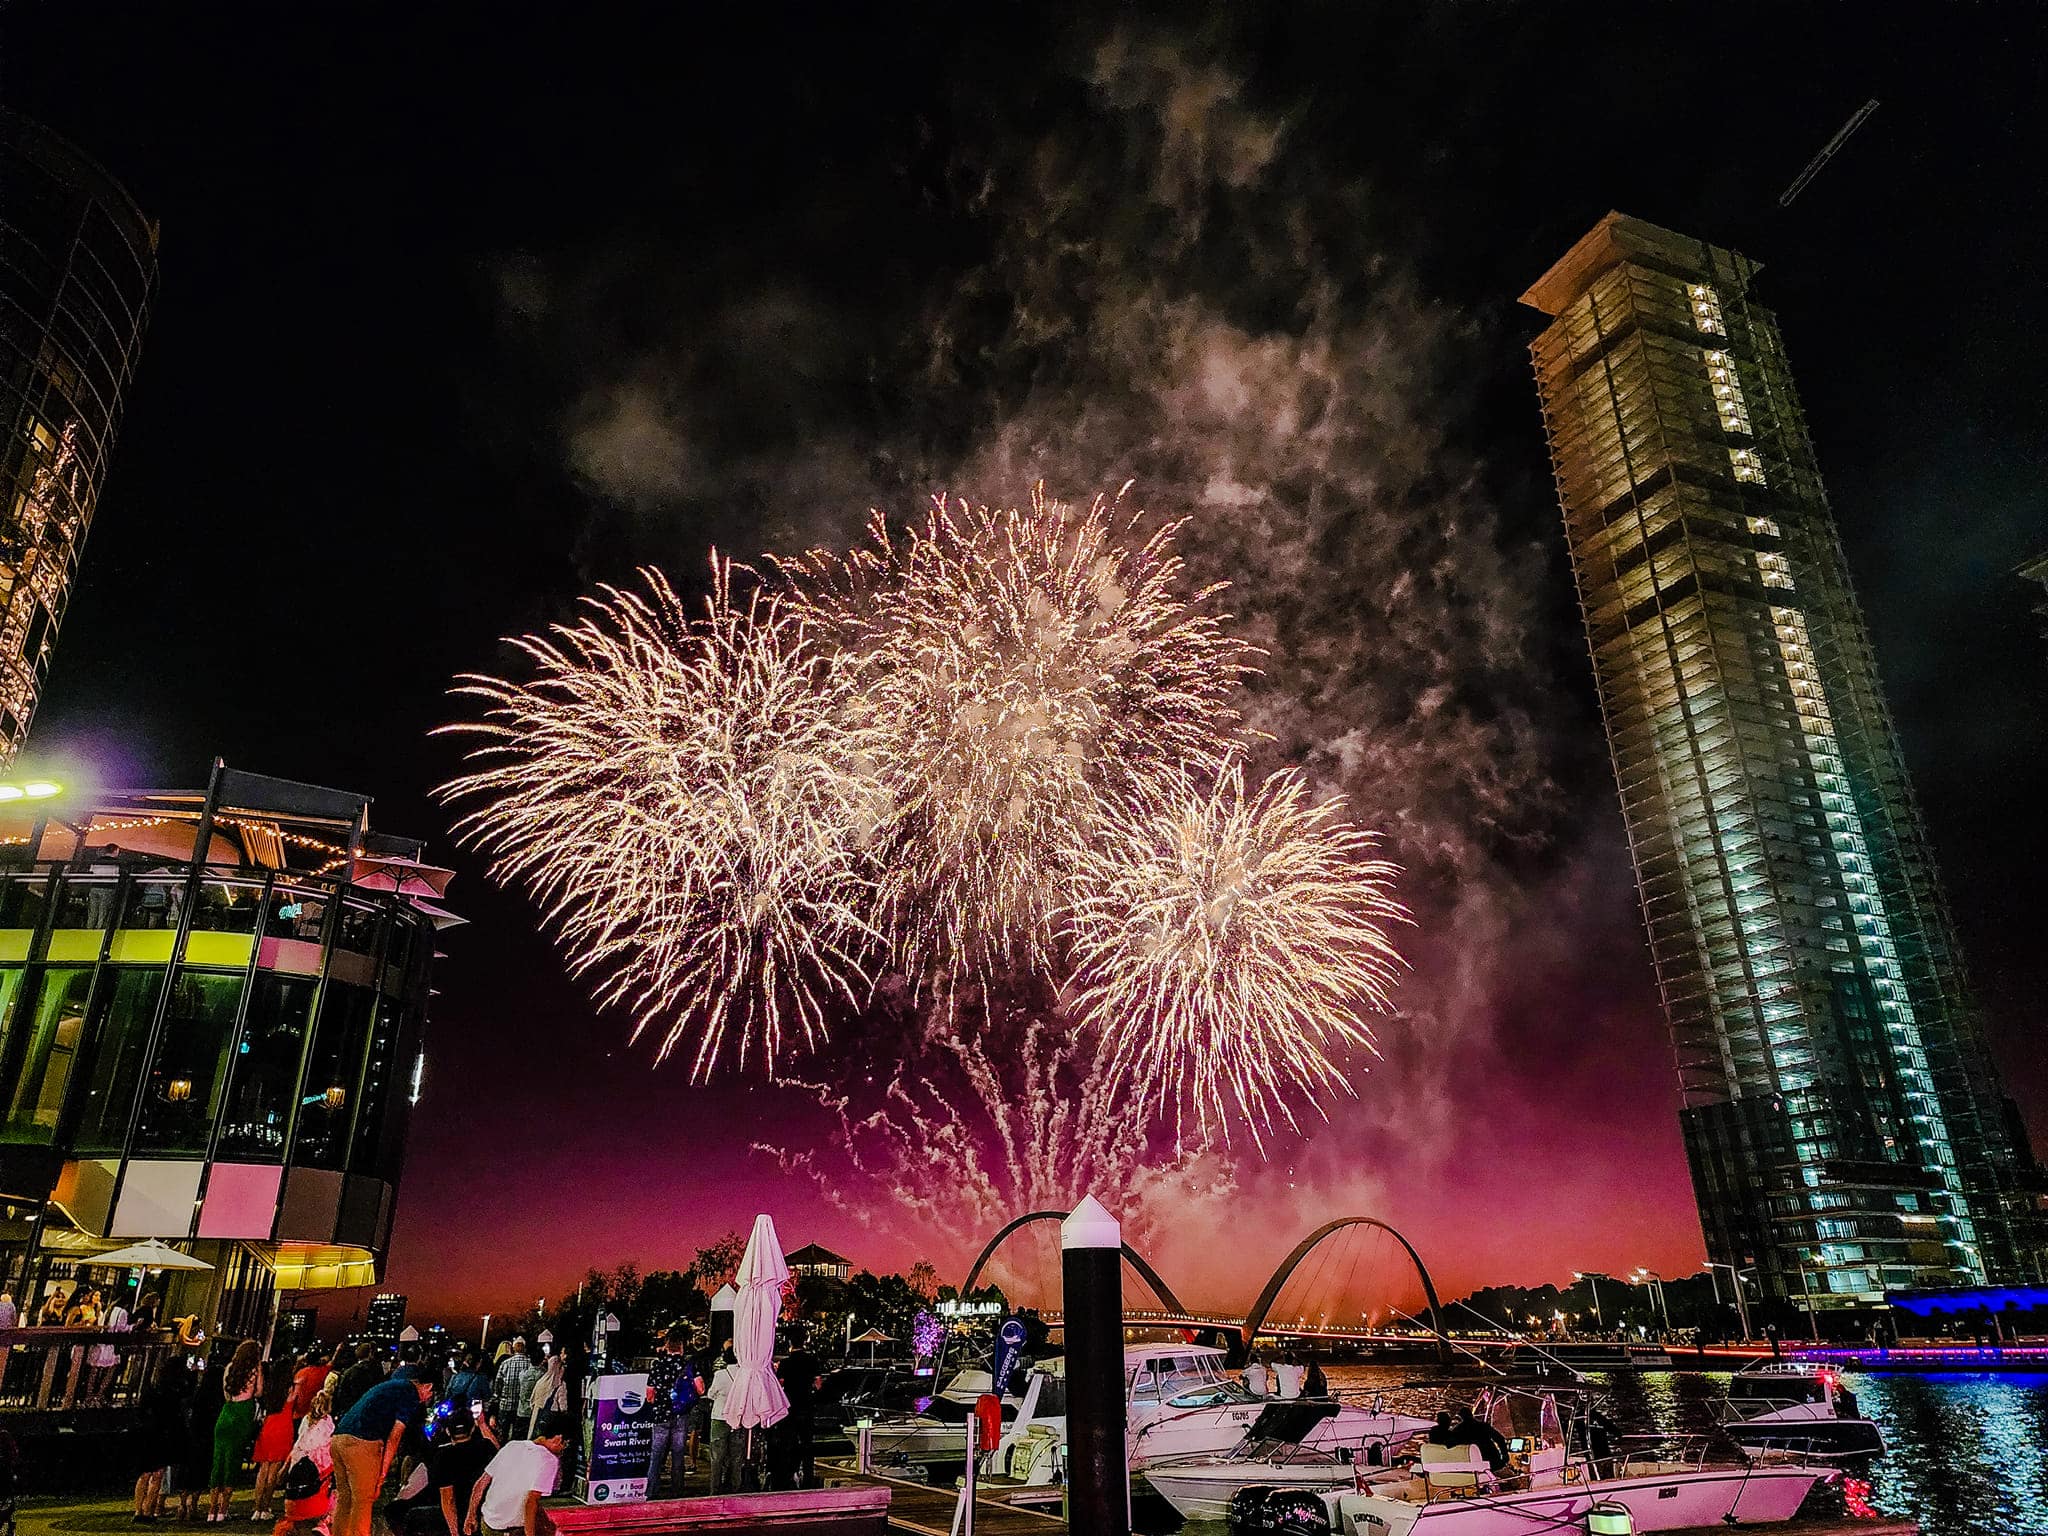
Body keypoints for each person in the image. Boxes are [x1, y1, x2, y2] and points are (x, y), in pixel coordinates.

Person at [330, 1369, 434, 1536]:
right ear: (427, 1387)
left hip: (339, 1438)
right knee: (363, 1502)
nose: (426, 1401)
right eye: (430, 1395)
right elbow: (395, 1435)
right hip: (362, 1442)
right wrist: (382, 1474)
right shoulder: (410, 1394)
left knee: (345, 1498)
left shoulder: (392, 1386)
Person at [465, 1412, 570, 1536]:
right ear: (559, 1439)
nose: (563, 1450)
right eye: (566, 1445)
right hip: (509, 1530)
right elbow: (531, 1503)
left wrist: (470, 1515)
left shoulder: (512, 1445)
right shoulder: (549, 1461)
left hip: (487, 1524)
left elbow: (481, 1484)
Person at [423, 1404, 496, 1536]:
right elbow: (498, 1452)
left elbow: (448, 1499)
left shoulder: (443, 1456)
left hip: (461, 1516)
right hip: (485, 1511)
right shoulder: (486, 1447)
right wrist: (482, 1424)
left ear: (448, 1431)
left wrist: (454, 1532)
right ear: (472, 1429)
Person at [209, 1339, 262, 1522]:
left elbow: (225, 1392)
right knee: (233, 1459)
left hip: (227, 1412)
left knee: (219, 1459)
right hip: (242, 1412)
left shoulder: (230, 1367)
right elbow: (259, 1392)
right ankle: (223, 1510)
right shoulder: (254, 1370)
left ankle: (211, 1509)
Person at [643, 1327, 698, 1498]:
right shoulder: (688, 1365)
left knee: (657, 1455)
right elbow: (701, 1388)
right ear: (682, 1347)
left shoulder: (657, 1365)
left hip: (661, 1415)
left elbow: (650, 1395)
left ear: (667, 1346)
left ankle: (651, 1491)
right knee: (678, 1454)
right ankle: (677, 1491)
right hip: (681, 1414)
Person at [278, 1382, 337, 1536]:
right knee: (332, 1490)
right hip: (317, 1468)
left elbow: (299, 1443)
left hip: (298, 1465)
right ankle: (325, 1520)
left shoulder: (305, 1422)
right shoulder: (327, 1424)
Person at [131, 1360, 186, 1523]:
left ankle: (138, 1510)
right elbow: (176, 1417)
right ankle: (148, 1510)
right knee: (157, 1475)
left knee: (144, 1474)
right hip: (162, 1435)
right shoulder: (174, 1392)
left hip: (148, 1433)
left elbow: (140, 1411)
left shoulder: (151, 1389)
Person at [250, 1359, 297, 1521]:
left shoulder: (270, 1388)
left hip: (269, 1426)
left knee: (263, 1469)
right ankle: (266, 1507)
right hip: (284, 1427)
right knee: (273, 1471)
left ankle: (257, 1509)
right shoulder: (291, 1388)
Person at [183, 1356, 227, 1523]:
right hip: (208, 1438)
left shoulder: (198, 1395)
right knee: (201, 1472)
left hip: (194, 1436)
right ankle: (193, 1504)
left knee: (190, 1471)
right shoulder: (218, 1399)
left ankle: (183, 1503)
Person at [704, 1345, 738, 1494]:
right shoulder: (743, 1375)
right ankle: (735, 1485)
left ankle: (715, 1488)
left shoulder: (720, 1374)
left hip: (719, 1415)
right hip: (737, 1416)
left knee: (717, 1455)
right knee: (737, 1455)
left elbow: (711, 1393)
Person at [489, 1342, 538, 1444]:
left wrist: (497, 1398)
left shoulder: (505, 1363)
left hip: (506, 1404)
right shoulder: (530, 1364)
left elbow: (498, 1384)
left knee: (503, 1435)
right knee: (519, 1438)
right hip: (523, 1408)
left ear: (514, 1350)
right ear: (524, 1350)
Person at [91, 1289, 132, 1405]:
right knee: (109, 1372)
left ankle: (90, 1395)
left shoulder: (110, 1309)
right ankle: (99, 1394)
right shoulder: (123, 1312)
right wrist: (132, 1326)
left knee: (95, 1371)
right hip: (111, 1345)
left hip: (101, 1343)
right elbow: (121, 1328)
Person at [330, 1346, 384, 1420]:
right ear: (370, 1354)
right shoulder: (376, 1370)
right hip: (370, 1408)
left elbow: (342, 1393)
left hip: (352, 1409)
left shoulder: (349, 1372)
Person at [524, 1352, 567, 1440]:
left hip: (537, 1414)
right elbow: (563, 1406)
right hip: (551, 1416)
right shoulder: (560, 1384)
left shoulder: (541, 1381)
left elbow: (532, 1399)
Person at [446, 1352, 492, 1417]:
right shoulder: (481, 1378)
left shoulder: (455, 1376)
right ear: (478, 1364)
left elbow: (447, 1394)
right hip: (471, 1413)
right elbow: (487, 1396)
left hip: (453, 1411)